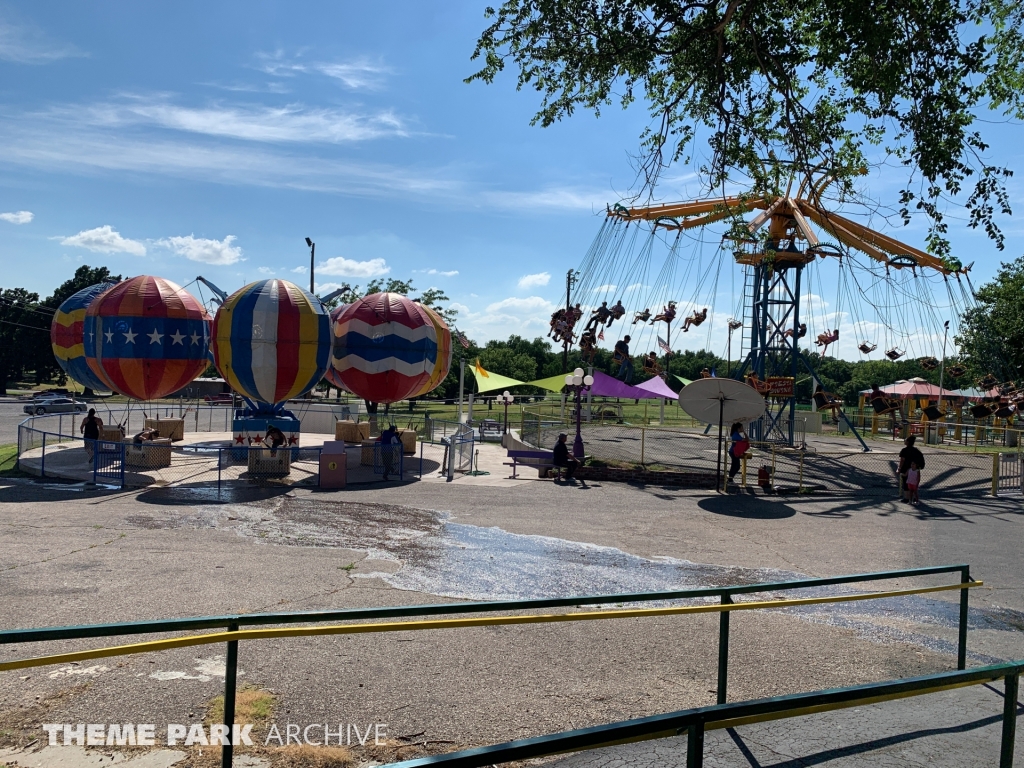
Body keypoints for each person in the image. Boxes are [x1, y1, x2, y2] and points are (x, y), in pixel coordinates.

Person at [897, 435, 925, 504]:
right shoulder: (917, 451)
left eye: (906, 440)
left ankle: (907, 498)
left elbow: (902, 460)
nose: (905, 441)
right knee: (914, 484)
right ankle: (915, 498)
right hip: (915, 470)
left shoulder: (904, 450)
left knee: (906, 484)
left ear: (908, 442)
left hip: (906, 469)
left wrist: (899, 468)